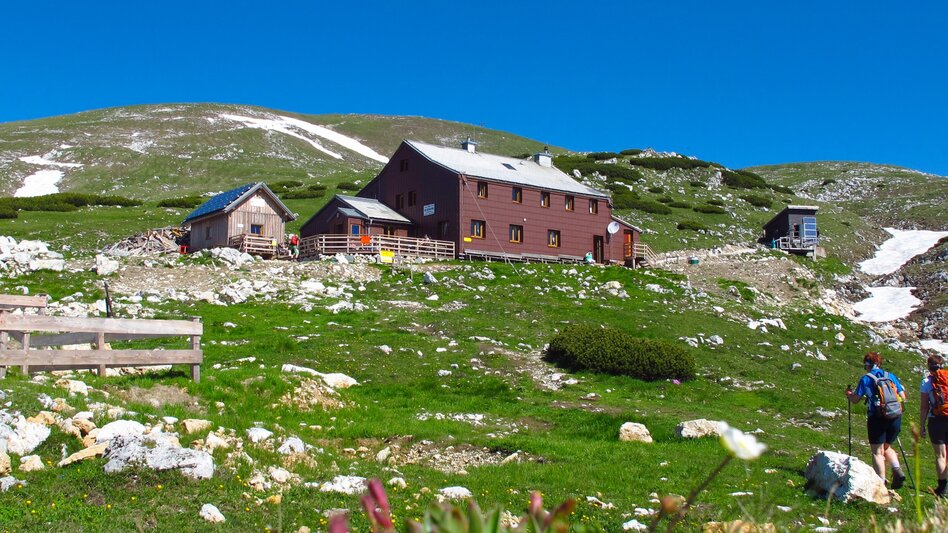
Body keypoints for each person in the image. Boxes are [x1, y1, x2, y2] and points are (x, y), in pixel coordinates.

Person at [845, 351, 907, 489]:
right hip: (895, 416)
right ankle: (897, 469)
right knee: (887, 446)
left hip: (877, 417)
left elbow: (855, 400)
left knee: (877, 451)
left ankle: (881, 484)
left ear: (867, 365)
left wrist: (849, 395)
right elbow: (903, 396)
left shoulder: (866, 379)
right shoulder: (890, 376)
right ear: (879, 363)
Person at [920, 354, 948, 496]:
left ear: (928, 367)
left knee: (940, 456)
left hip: (936, 420)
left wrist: (922, 426)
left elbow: (924, 407)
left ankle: (942, 488)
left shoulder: (927, 382)